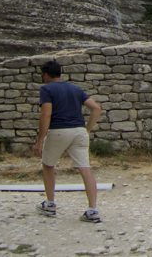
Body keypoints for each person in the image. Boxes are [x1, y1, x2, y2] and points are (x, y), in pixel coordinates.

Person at [32, 59, 103, 222]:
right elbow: (96, 108)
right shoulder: (75, 88)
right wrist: (87, 129)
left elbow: (46, 114)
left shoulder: (46, 89)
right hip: (79, 131)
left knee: (48, 165)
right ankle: (92, 210)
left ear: (46, 75)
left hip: (59, 130)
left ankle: (50, 204)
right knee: (85, 168)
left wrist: (40, 140)